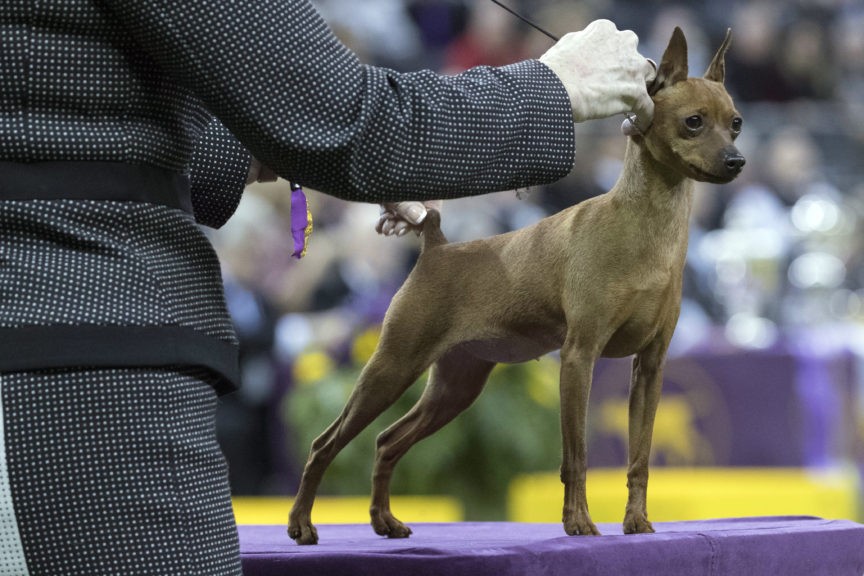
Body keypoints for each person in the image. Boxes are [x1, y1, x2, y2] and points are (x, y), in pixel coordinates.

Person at [0, 1, 654, 574]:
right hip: (72, 372)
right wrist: (553, 86)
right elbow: (347, 117)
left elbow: (79, 121)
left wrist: (291, 150)